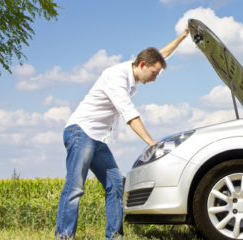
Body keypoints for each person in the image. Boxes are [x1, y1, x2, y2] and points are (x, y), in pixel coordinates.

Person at [55, 25, 190, 239]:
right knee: (75, 187)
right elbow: (129, 114)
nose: (155, 79)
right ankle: (64, 235)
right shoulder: (115, 77)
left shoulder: (137, 71)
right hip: (81, 132)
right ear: (143, 65)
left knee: (116, 185)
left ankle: (115, 236)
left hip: (97, 138)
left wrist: (183, 36)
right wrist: (151, 142)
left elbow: (162, 55)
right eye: (154, 74)